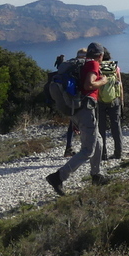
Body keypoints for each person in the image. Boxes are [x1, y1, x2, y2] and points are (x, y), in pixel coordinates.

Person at [46, 42, 109, 195]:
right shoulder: (93, 64)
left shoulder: (83, 63)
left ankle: (96, 175)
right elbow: (89, 84)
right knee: (88, 149)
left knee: (98, 141)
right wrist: (103, 81)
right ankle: (58, 177)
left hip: (76, 109)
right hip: (86, 110)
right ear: (100, 56)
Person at [98, 48, 124, 160]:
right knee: (116, 126)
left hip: (100, 101)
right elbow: (120, 85)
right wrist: (122, 101)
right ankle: (118, 153)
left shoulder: (97, 68)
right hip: (115, 100)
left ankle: (103, 154)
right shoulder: (115, 68)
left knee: (101, 128)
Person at [63, 47, 88, 157]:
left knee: (72, 123)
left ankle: (69, 147)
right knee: (86, 123)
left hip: (69, 99)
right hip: (82, 98)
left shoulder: (70, 65)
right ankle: (86, 148)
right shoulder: (82, 66)